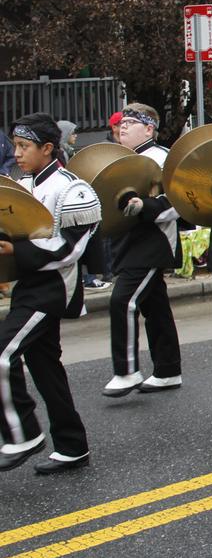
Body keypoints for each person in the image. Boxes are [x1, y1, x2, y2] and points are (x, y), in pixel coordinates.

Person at [0, 113, 101, 473]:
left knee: (2, 356)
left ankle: (23, 433)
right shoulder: (22, 182)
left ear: (47, 148)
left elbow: (71, 251)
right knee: (45, 368)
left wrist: (17, 252)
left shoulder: (73, 188)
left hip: (53, 289)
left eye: (24, 146)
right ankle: (72, 445)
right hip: (29, 286)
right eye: (15, 145)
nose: (17, 153)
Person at [101, 104, 183, 397]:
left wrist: (143, 206)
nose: (123, 127)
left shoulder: (160, 157)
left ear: (149, 128)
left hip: (152, 242)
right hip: (128, 242)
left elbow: (176, 201)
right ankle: (168, 369)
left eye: (132, 122)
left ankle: (126, 371)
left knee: (123, 301)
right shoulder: (120, 159)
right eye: (122, 122)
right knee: (155, 306)